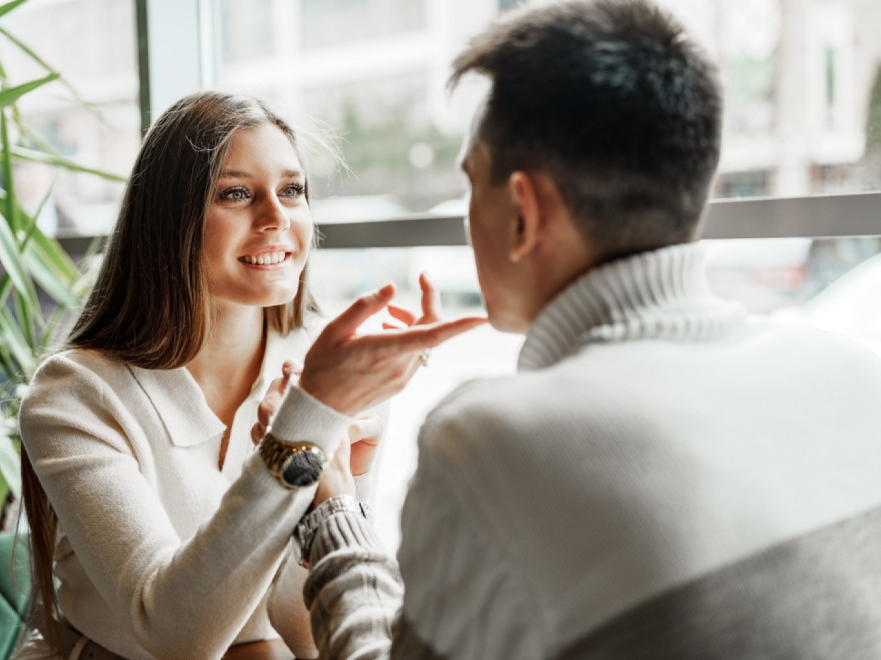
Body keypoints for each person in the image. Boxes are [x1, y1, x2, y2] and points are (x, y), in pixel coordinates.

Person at [256, 1, 881, 658]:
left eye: (472, 183)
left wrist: (331, 511)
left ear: (522, 211)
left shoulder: (489, 442)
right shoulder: (857, 374)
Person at [14, 91, 485, 660]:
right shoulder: (72, 396)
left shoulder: (327, 363)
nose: (277, 219)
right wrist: (300, 434)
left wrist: (322, 488)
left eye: (292, 190)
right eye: (237, 194)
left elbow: (308, 632)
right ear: (169, 219)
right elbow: (175, 635)